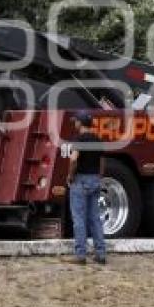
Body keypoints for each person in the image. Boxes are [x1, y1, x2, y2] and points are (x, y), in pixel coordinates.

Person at [66, 110, 107, 265]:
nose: (75, 123)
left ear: (80, 123)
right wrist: (99, 176)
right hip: (95, 179)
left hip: (81, 180)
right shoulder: (98, 139)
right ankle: (101, 253)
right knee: (95, 219)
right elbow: (102, 161)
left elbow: (74, 160)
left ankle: (80, 255)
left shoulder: (79, 140)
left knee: (79, 219)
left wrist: (70, 176)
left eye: (76, 121)